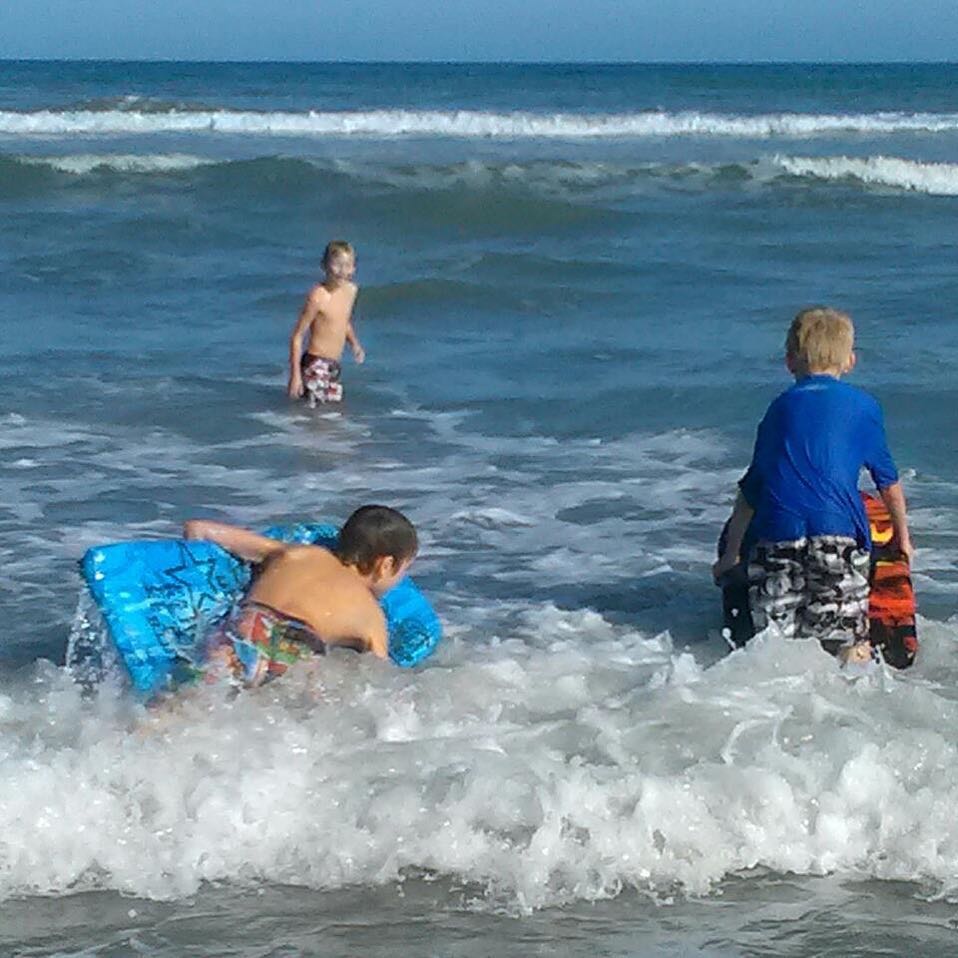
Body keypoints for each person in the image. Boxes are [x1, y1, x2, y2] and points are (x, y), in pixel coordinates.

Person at [712, 307, 913, 662]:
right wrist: (903, 540)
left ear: (789, 362)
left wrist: (731, 556)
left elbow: (752, 489)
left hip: (777, 538)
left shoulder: (779, 408)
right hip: (837, 537)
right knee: (847, 643)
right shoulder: (864, 407)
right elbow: (888, 483)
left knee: (774, 646)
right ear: (851, 361)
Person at [182, 505, 417, 688]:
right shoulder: (371, 616)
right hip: (295, 644)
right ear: (386, 565)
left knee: (185, 702)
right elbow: (379, 679)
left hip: (247, 625)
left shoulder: (297, 553)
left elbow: (198, 529)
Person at [287, 240, 365, 407]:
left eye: (346, 265)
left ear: (353, 268)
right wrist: (295, 376)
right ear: (324, 265)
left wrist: (355, 344)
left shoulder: (351, 291)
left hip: (334, 365)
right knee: (316, 419)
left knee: (332, 416)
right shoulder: (318, 296)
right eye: (336, 265)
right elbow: (297, 336)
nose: (341, 271)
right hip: (315, 364)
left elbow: (343, 320)